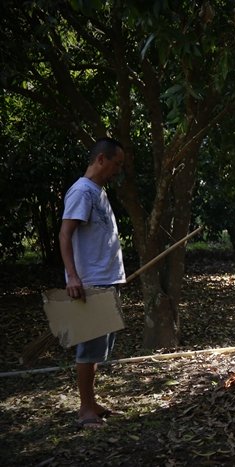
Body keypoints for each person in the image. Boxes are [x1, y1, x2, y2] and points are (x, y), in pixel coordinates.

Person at [58, 136, 126, 429]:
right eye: (116, 164)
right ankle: (85, 409)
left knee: (100, 348)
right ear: (101, 159)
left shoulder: (98, 191)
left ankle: (92, 401)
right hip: (91, 283)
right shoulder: (82, 192)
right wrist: (73, 276)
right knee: (88, 348)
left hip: (107, 280)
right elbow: (64, 235)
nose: (117, 170)